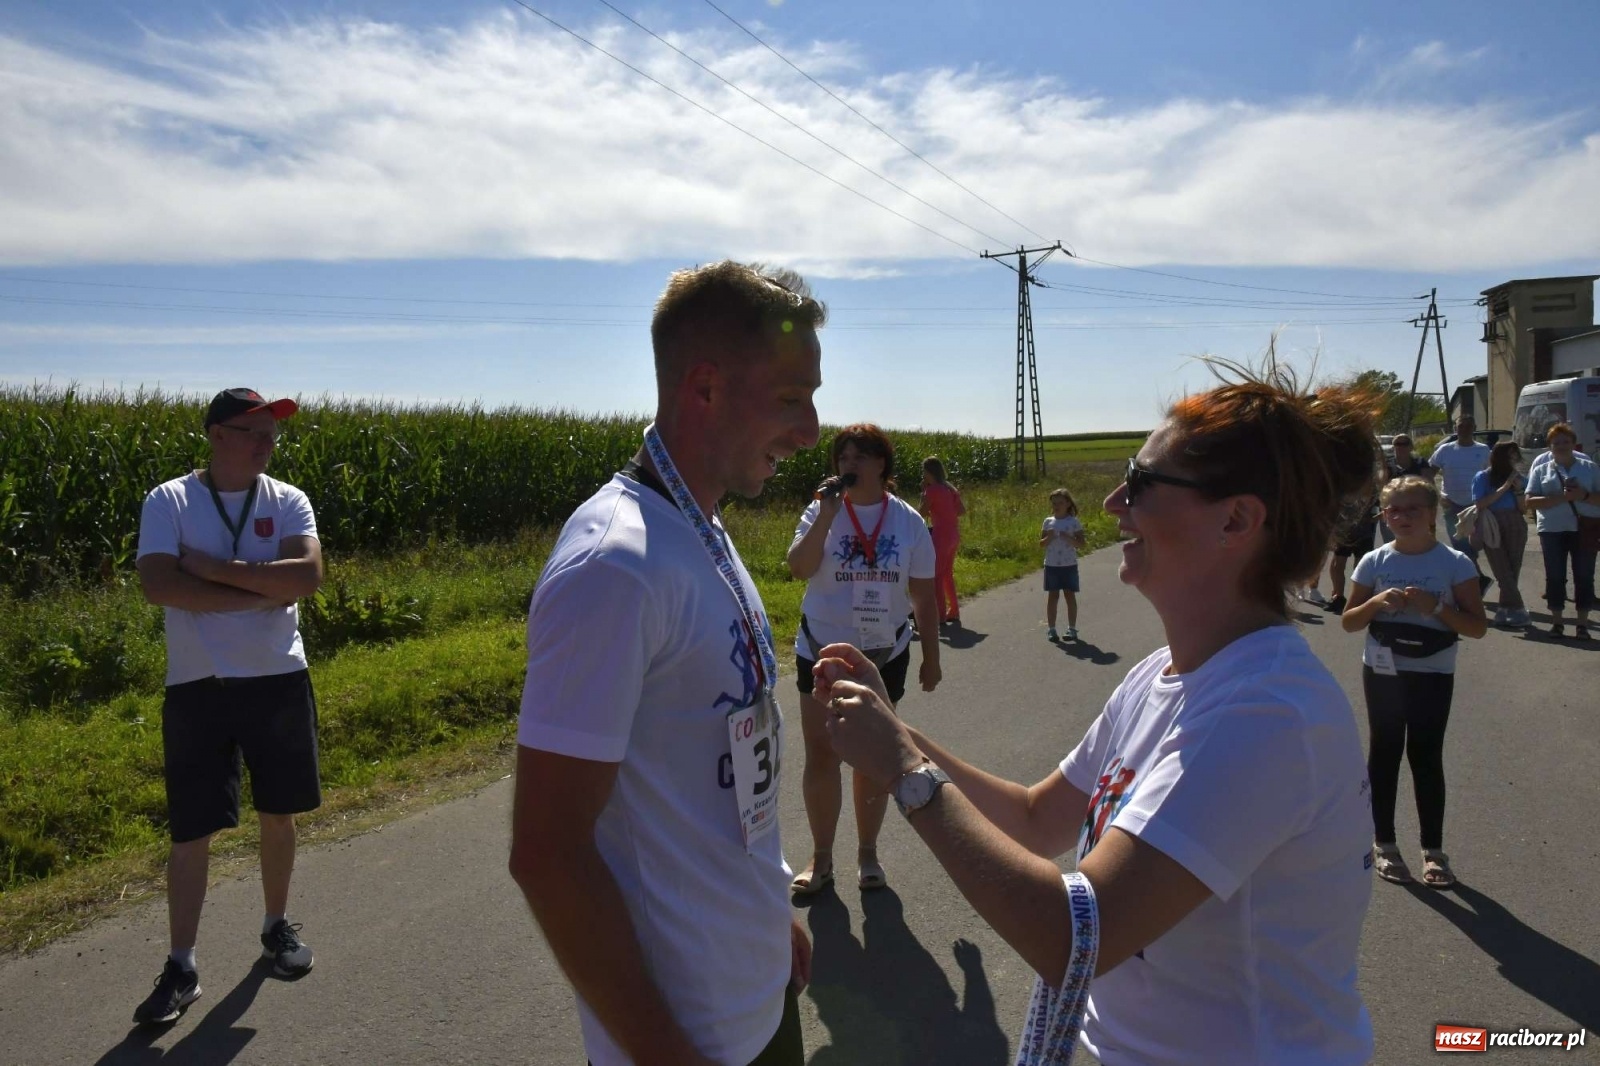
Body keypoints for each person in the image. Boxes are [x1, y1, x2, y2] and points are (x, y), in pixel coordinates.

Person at [814, 361, 1379, 1065]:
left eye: (1140, 483)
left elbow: (1076, 937)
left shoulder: (1264, 714)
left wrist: (905, 771)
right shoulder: (1163, 675)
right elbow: (1034, 818)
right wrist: (893, 730)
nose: (1113, 503)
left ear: (1235, 519)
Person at [509, 262, 822, 1066]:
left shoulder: (700, 528)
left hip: (759, 992)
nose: (812, 431)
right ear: (705, 388)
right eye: (791, 399)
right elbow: (547, 855)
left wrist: (771, 910)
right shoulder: (614, 567)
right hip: (690, 1038)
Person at [132, 387, 325, 1025]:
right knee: (191, 831)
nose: (267, 442)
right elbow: (159, 583)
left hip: (277, 678)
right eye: (253, 431)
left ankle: (276, 926)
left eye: (272, 432)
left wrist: (212, 570)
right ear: (216, 434)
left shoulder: (288, 499)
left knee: (278, 813)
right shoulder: (169, 500)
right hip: (199, 685)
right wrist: (261, 592)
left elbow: (306, 577)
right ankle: (181, 965)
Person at [787, 424, 940, 895]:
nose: (848, 465)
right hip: (821, 650)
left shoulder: (907, 521)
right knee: (821, 753)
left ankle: (868, 853)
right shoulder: (820, 511)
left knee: (870, 757)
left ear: (881, 464)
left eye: (859, 456)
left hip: (882, 654)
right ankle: (821, 858)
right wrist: (826, 517)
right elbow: (798, 568)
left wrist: (932, 657)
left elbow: (924, 595)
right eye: (842, 457)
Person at [1339, 476, 1486, 890]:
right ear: (1384, 516)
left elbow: (1477, 628)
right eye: (1394, 510)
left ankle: (1433, 851)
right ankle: (1384, 843)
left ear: (1432, 513)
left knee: (1426, 755)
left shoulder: (1455, 562)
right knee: (1384, 752)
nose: (1402, 517)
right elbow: (1349, 622)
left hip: (1433, 671)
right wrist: (1374, 602)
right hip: (1383, 671)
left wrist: (1435, 607)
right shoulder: (1374, 561)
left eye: (1413, 509)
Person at [1522, 422, 1600, 640]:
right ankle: (1557, 623)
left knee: (1584, 576)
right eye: (1557, 443)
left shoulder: (1590, 468)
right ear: (1550, 446)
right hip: (1552, 530)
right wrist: (1561, 498)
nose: (1561, 446)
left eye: (1566, 441)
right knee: (1555, 576)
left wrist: (1583, 496)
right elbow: (1529, 502)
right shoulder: (1541, 469)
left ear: (1574, 444)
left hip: (1584, 529)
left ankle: (1582, 625)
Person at [1471, 441, 1530, 628]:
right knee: (1501, 568)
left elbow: (1524, 509)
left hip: (1514, 522)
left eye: (1515, 456)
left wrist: (1518, 490)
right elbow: (1480, 504)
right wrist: (1505, 487)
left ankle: (1504, 610)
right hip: (1492, 523)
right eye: (1510, 456)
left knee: (1513, 567)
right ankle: (1519, 608)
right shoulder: (1482, 477)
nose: (1513, 459)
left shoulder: (1519, 478)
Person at [1429, 415, 1490, 578]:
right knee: (1459, 544)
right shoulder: (1445, 450)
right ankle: (1476, 578)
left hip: (1476, 505)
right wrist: (1438, 496)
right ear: (1455, 428)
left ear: (1474, 428)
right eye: (1460, 426)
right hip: (1452, 504)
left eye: (1468, 426)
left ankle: (1474, 578)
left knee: (1474, 544)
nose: (1464, 429)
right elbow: (1428, 475)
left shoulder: (1483, 450)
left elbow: (1491, 476)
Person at [919, 455, 966, 627]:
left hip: (940, 535)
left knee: (937, 576)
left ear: (929, 472)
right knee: (947, 574)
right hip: (953, 534)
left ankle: (940, 615)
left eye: (924, 471)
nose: (923, 475)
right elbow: (961, 510)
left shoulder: (931, 491)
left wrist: (924, 495)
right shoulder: (950, 489)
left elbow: (921, 513)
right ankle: (954, 610)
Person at [1039, 487, 1086, 641]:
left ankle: (1072, 629)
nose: (1056, 506)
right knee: (1053, 596)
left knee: (1069, 595)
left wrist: (1069, 539)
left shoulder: (1073, 522)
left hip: (1069, 565)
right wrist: (1049, 538)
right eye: (1054, 503)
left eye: (1060, 503)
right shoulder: (1048, 522)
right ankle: (1051, 629)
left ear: (1068, 504)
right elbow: (1041, 544)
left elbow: (1081, 544)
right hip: (1051, 565)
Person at [1379, 433, 1428, 543]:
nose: (1401, 447)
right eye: (1398, 444)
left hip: (1416, 509)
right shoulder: (1387, 465)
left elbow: (1428, 485)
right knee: (1391, 542)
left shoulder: (1420, 463)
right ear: (1393, 447)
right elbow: (1382, 488)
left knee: (1417, 542)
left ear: (1411, 446)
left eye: (1405, 444)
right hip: (1393, 510)